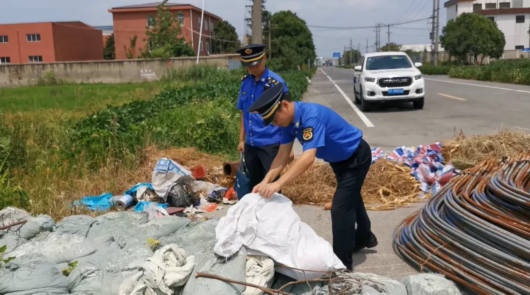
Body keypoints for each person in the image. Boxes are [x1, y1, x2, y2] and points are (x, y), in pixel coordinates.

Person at [248, 83, 378, 271]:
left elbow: (308, 158)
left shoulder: (311, 116)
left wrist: (278, 184)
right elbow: (282, 155)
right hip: (339, 160)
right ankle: (365, 236)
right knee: (351, 198)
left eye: (274, 119)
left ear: (284, 105)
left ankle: (342, 266)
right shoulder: (288, 122)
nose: (274, 124)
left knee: (340, 208)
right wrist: (265, 181)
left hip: (356, 156)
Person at [235, 44, 289, 192]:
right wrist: (241, 140)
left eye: (255, 64)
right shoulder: (246, 82)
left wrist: (287, 144)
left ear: (264, 58)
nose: (252, 69)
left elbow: (287, 114)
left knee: (272, 188)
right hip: (251, 144)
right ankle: (257, 215)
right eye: (248, 66)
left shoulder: (276, 84)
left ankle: (276, 215)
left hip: (270, 144)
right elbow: (243, 112)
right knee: (254, 186)